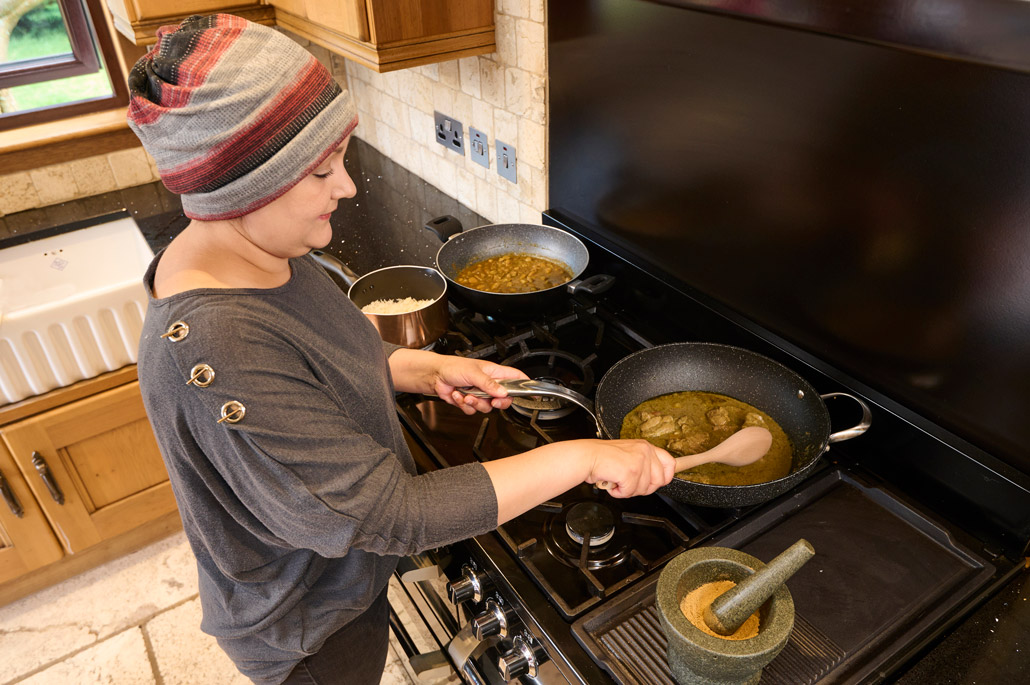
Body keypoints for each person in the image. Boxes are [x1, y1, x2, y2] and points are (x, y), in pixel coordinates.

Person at [126, 13, 675, 685]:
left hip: (341, 579)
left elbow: (319, 361)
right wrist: (583, 454)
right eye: (322, 171)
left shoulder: (264, 251)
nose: (348, 187)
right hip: (308, 632)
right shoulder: (217, 348)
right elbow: (392, 514)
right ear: (247, 185)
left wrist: (424, 367)